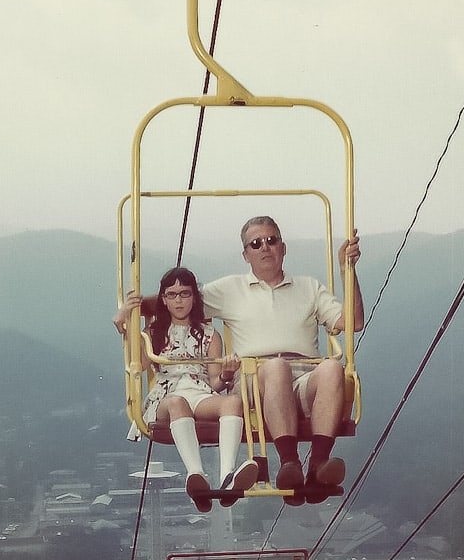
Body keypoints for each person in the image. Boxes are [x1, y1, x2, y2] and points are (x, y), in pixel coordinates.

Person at [115, 216, 363, 507]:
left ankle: (319, 465)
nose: (265, 248)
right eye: (256, 244)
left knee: (333, 368)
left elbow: (353, 322)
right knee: (276, 367)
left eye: (271, 241)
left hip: (303, 376)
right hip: (254, 382)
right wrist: (128, 310)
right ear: (246, 254)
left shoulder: (309, 287)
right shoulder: (231, 289)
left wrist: (348, 271)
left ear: (283, 247)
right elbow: (180, 299)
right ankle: (289, 462)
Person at [115, 266, 258, 513]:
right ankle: (196, 474)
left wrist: (225, 374)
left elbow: (214, 382)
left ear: (194, 297)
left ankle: (227, 476)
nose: (179, 300)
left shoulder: (210, 336)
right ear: (164, 299)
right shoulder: (153, 333)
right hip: (167, 395)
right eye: (172, 294)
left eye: (185, 293)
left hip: (200, 391)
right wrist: (124, 321)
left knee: (232, 402)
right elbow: (137, 364)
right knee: (177, 402)